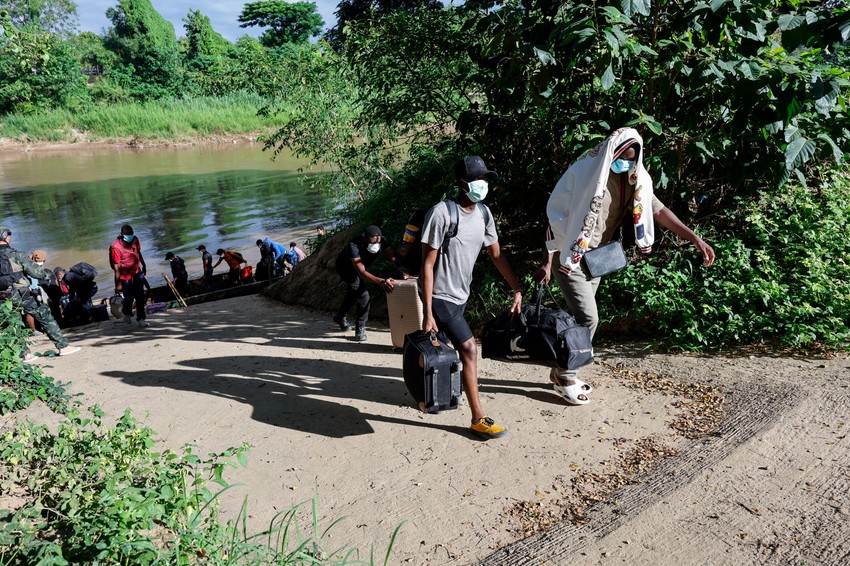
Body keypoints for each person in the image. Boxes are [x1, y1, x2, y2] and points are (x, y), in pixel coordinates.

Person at [538, 127, 715, 404]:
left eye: (632, 159)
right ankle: (566, 375)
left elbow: (657, 210)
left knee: (575, 319)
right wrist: (547, 261)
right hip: (570, 257)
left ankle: (558, 370)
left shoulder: (635, 180)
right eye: (622, 157)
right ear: (612, 152)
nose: (626, 163)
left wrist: (694, 238)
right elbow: (556, 217)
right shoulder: (584, 173)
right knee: (588, 319)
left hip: (595, 260)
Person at [420, 156, 523, 440]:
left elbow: (496, 254)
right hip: (440, 296)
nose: (482, 184)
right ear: (461, 183)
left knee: (438, 348)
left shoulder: (484, 214)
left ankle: (428, 393)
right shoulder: (441, 213)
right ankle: (478, 418)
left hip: (461, 294)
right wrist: (427, 311)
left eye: (485, 178)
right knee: (468, 349)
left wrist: (517, 288)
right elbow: (427, 264)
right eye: (477, 179)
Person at [0, 227, 80, 359]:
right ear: (5, 237)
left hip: (4, 297)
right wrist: (47, 276)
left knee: (13, 323)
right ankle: (63, 346)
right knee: (46, 317)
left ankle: (24, 355)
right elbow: (36, 272)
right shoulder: (16, 254)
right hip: (23, 294)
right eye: (8, 236)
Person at [333, 225, 397, 341]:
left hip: (361, 268)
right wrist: (382, 281)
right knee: (363, 295)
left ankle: (340, 316)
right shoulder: (354, 246)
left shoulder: (382, 241)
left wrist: (403, 270)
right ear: (365, 239)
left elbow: (392, 257)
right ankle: (360, 328)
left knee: (354, 291)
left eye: (378, 242)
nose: (376, 245)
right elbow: (362, 273)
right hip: (345, 268)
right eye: (372, 242)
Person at [109, 224, 149, 327]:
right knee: (129, 297)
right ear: (122, 235)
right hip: (124, 274)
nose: (130, 236)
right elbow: (116, 267)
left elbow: (138, 253)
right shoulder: (116, 247)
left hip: (136, 271)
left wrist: (144, 265)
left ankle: (141, 319)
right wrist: (117, 284)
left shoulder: (135, 240)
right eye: (127, 234)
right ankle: (126, 311)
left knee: (140, 296)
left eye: (131, 233)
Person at [23, 249, 50, 335]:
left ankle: (39, 328)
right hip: (31, 289)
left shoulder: (28, 263)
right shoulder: (33, 265)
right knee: (31, 310)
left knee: (37, 308)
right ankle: (34, 330)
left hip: (34, 288)